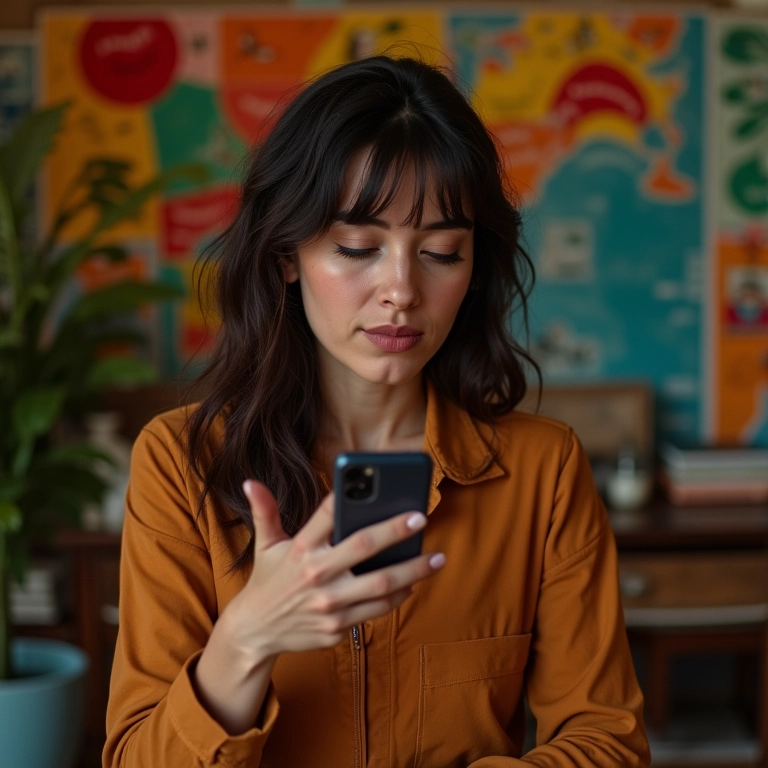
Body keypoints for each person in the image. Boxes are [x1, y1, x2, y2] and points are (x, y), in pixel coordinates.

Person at [103, 55, 650, 767]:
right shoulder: (181, 464)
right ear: (286, 255)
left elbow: (608, 742)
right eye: (358, 247)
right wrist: (246, 640)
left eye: (442, 252)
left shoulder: (542, 472)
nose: (401, 289)